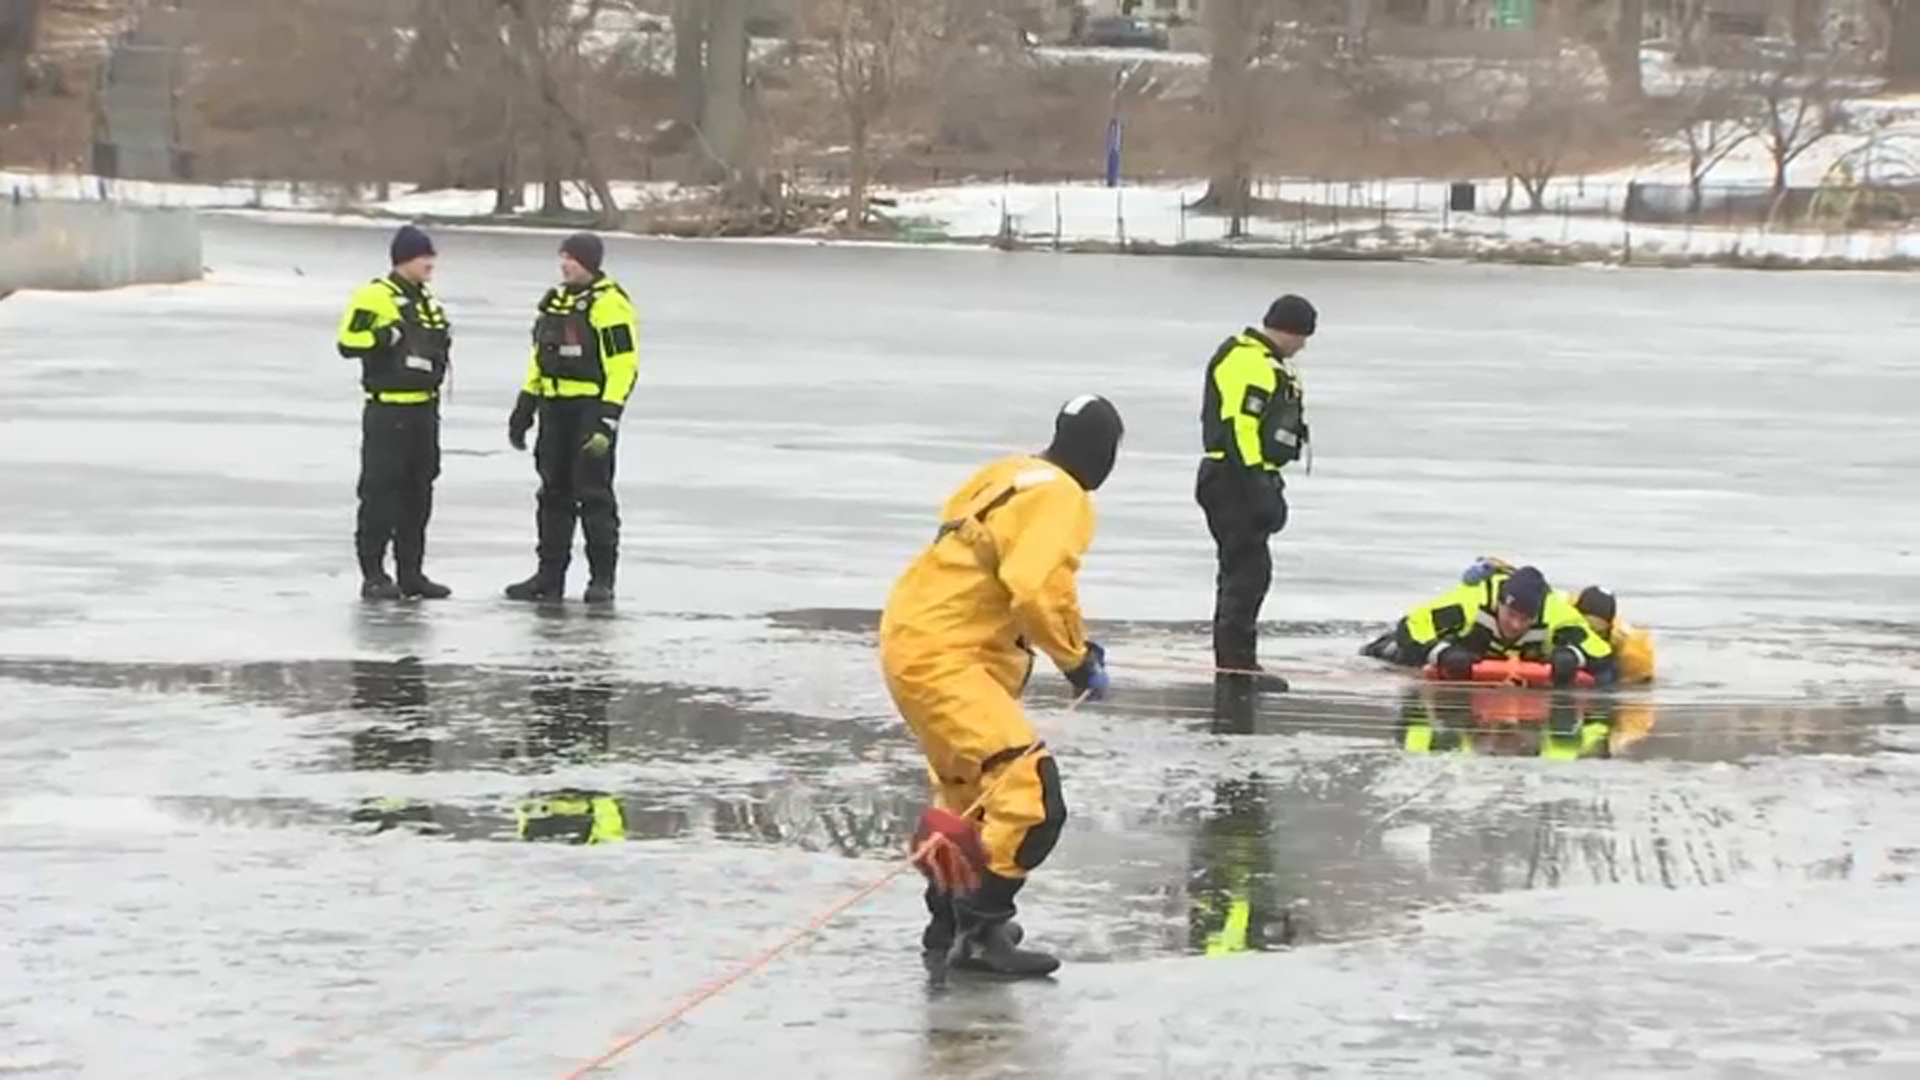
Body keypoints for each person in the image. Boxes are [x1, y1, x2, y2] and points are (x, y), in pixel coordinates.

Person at [878, 394, 1124, 979]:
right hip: (949, 659)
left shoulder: (1009, 473)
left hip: (913, 643)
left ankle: (948, 921)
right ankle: (982, 929)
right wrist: (1076, 658)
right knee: (1031, 797)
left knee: (969, 795)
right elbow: (1036, 586)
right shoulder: (1061, 494)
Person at [504, 232, 640, 604]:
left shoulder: (609, 304)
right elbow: (540, 357)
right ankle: (549, 578)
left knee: (594, 494)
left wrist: (608, 416)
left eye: (573, 259)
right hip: (553, 407)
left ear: (590, 264)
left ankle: (602, 580)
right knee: (552, 494)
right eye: (563, 257)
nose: (566, 264)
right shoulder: (556, 302)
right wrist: (525, 406)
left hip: (590, 408)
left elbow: (623, 364)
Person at [1195, 294, 1319, 691]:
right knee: (1245, 574)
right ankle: (1236, 667)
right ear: (1290, 330)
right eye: (1303, 336)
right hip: (1233, 478)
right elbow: (1239, 426)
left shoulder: (1265, 362)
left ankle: (1238, 663)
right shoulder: (1246, 361)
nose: (1303, 346)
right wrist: (1255, 483)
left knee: (1249, 572)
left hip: (1246, 476)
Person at [335, 225, 453, 600]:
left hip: (424, 411)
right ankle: (373, 574)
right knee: (380, 492)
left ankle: (411, 572)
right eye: (425, 256)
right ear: (405, 258)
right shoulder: (374, 296)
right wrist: (385, 337)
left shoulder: (428, 302)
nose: (431, 263)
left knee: (419, 492)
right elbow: (348, 342)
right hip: (388, 412)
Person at [1366, 565, 1617, 688]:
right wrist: (1441, 653)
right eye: (1511, 614)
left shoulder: (1556, 614)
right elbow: (1411, 627)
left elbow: (1601, 653)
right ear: (1499, 603)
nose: (1516, 624)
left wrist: (1573, 657)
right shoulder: (1470, 603)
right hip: (1458, 649)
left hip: (1509, 661)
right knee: (1396, 653)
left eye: (1525, 618)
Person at [1569, 586, 1658, 684]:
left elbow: (1639, 684)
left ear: (1609, 625)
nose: (1592, 636)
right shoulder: (1563, 622)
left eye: (1597, 630)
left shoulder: (1624, 644)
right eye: (1587, 627)